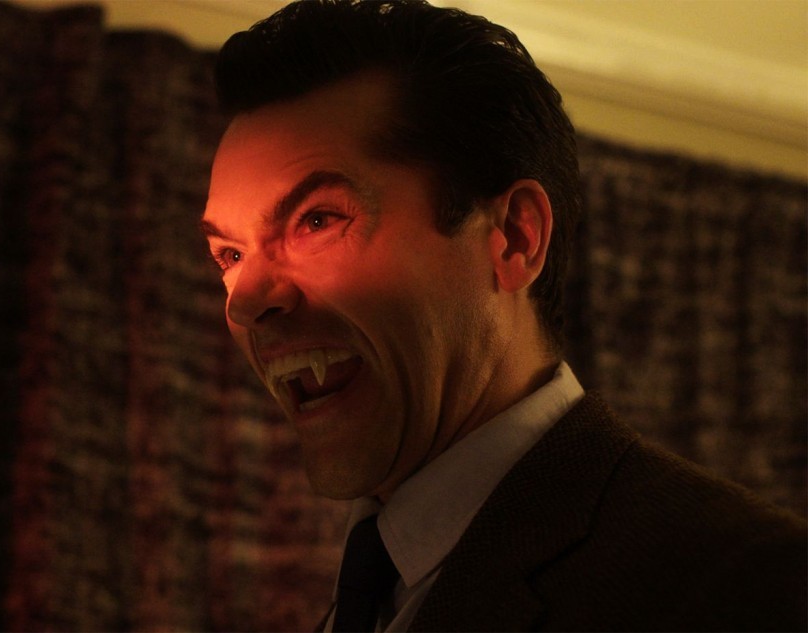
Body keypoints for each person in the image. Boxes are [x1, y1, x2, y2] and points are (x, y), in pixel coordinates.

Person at [198, 1, 808, 630]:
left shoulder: (751, 586)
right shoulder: (370, 587)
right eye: (230, 255)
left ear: (515, 237)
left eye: (318, 220)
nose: (244, 302)